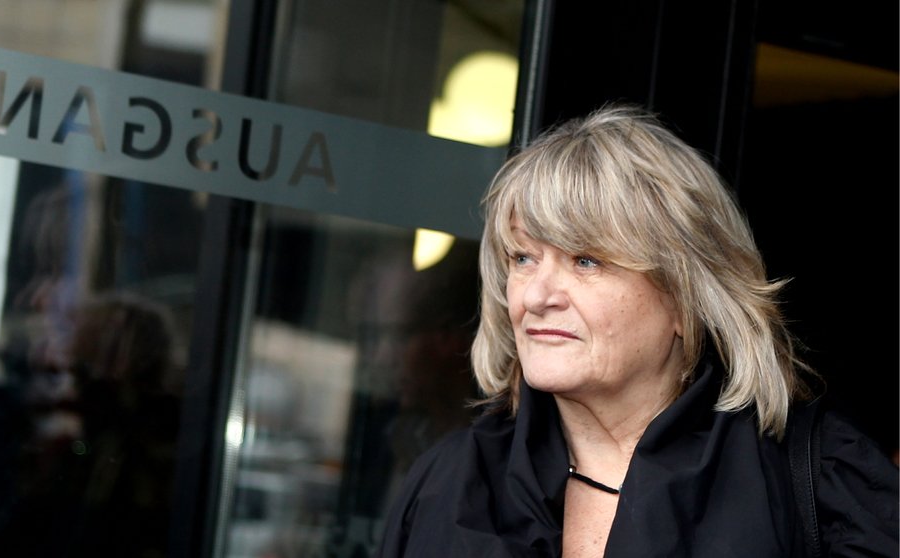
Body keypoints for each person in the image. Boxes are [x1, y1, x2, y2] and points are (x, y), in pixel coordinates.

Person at [377, 104, 899, 557]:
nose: (536, 296)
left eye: (585, 260)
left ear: (686, 298)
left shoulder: (820, 481)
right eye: (523, 258)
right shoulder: (450, 482)